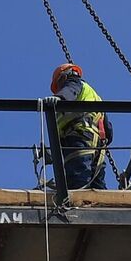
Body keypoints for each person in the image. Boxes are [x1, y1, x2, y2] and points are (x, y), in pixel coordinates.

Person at [49, 62, 109, 195]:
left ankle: (77, 208)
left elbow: (69, 91)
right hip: (97, 145)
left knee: (78, 177)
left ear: (63, 77)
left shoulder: (73, 83)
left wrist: (58, 98)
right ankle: (104, 206)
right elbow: (108, 129)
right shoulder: (94, 96)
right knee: (97, 184)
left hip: (78, 139)